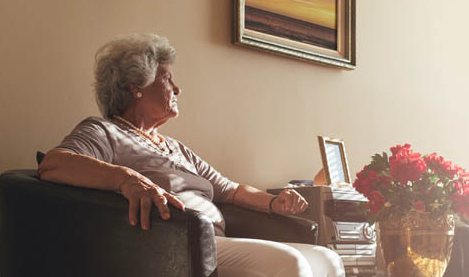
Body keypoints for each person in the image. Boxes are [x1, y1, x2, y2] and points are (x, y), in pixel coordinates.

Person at [38, 33, 345, 277]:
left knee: (327, 259)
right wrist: (126, 178)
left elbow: (232, 190)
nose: (177, 88)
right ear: (136, 87)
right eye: (167, 78)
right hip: (175, 243)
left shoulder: (174, 147)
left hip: (215, 240)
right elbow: (54, 164)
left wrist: (276, 202)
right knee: (288, 264)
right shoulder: (105, 132)